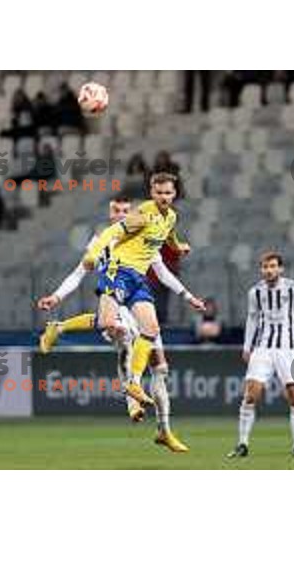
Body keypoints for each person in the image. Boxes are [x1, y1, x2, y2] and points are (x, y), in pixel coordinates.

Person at [37, 196, 205, 452]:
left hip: (137, 297)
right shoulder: (101, 241)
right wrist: (57, 296)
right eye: (117, 210)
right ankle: (132, 400)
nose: (122, 213)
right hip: (116, 299)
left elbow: (162, 272)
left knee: (160, 369)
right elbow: (78, 273)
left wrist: (188, 295)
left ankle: (164, 430)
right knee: (122, 333)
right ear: (110, 213)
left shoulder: (143, 236)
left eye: (127, 210)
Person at [82, 173, 189, 411]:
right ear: (152, 192)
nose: (164, 197)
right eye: (159, 193)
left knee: (151, 329)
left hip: (137, 277)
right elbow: (112, 233)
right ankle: (59, 327)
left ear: (174, 194)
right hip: (119, 272)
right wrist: (94, 253)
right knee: (108, 324)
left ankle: (134, 383)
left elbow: (169, 238)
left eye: (168, 193)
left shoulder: (171, 216)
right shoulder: (142, 214)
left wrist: (180, 247)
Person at [227, 251, 294, 460]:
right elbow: (252, 318)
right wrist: (246, 346)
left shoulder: (293, 288)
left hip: (290, 349)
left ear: (280, 268)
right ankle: (242, 444)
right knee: (251, 394)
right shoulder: (255, 292)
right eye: (264, 267)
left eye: (272, 266)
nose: (268, 271)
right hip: (263, 348)